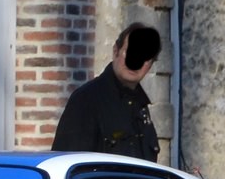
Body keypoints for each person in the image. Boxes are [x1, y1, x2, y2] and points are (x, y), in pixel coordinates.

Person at [52, 22, 162, 160]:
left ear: (151, 64)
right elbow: (67, 165)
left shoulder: (141, 109)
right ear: (116, 51)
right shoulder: (86, 100)